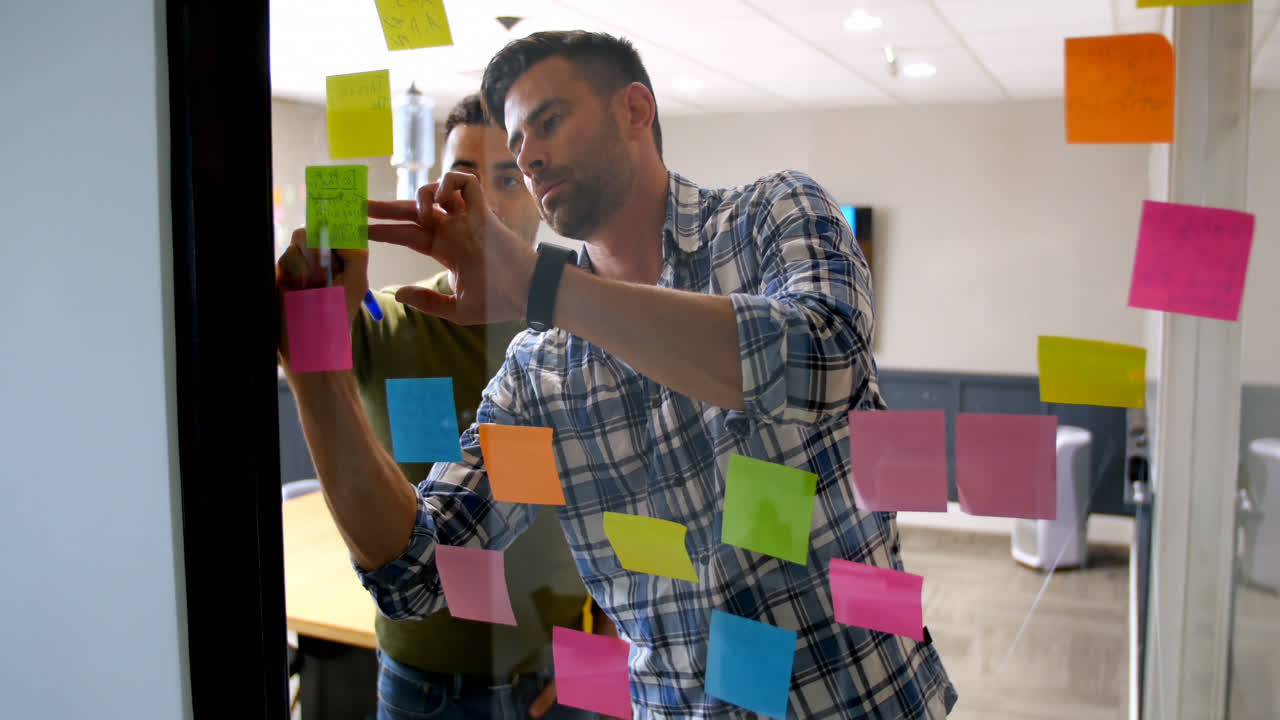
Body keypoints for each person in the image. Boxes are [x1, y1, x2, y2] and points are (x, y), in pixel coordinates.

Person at [281, 31, 957, 718]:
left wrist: (544, 290)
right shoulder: (541, 376)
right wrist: (310, 357)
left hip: (866, 702)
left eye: (548, 121)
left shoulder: (769, 217)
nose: (531, 155)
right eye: (519, 142)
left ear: (634, 111)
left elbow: (822, 365)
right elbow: (414, 575)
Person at [278, 94, 602, 720]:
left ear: (540, 194)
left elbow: (636, 503)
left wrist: (607, 647)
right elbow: (311, 348)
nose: (479, 199)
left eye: (508, 178)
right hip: (422, 681)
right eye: (462, 177)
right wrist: (324, 246)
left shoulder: (584, 321)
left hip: (563, 668)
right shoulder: (383, 317)